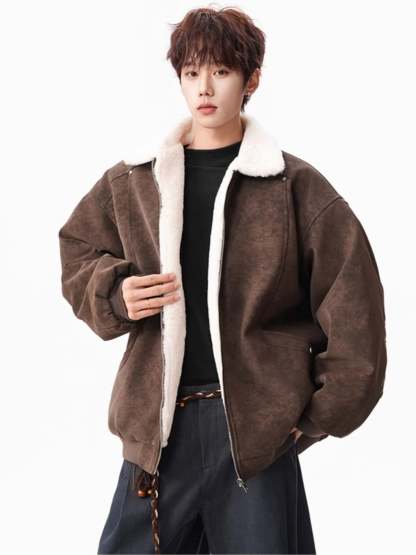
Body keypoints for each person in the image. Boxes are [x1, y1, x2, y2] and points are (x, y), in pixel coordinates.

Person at [58, 5, 387, 554]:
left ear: (251, 79)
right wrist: (114, 292)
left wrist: (315, 417)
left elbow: (355, 308)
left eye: (221, 71)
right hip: (158, 431)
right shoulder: (134, 181)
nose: (204, 88)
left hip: (255, 435)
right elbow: (77, 250)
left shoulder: (294, 187)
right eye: (191, 72)